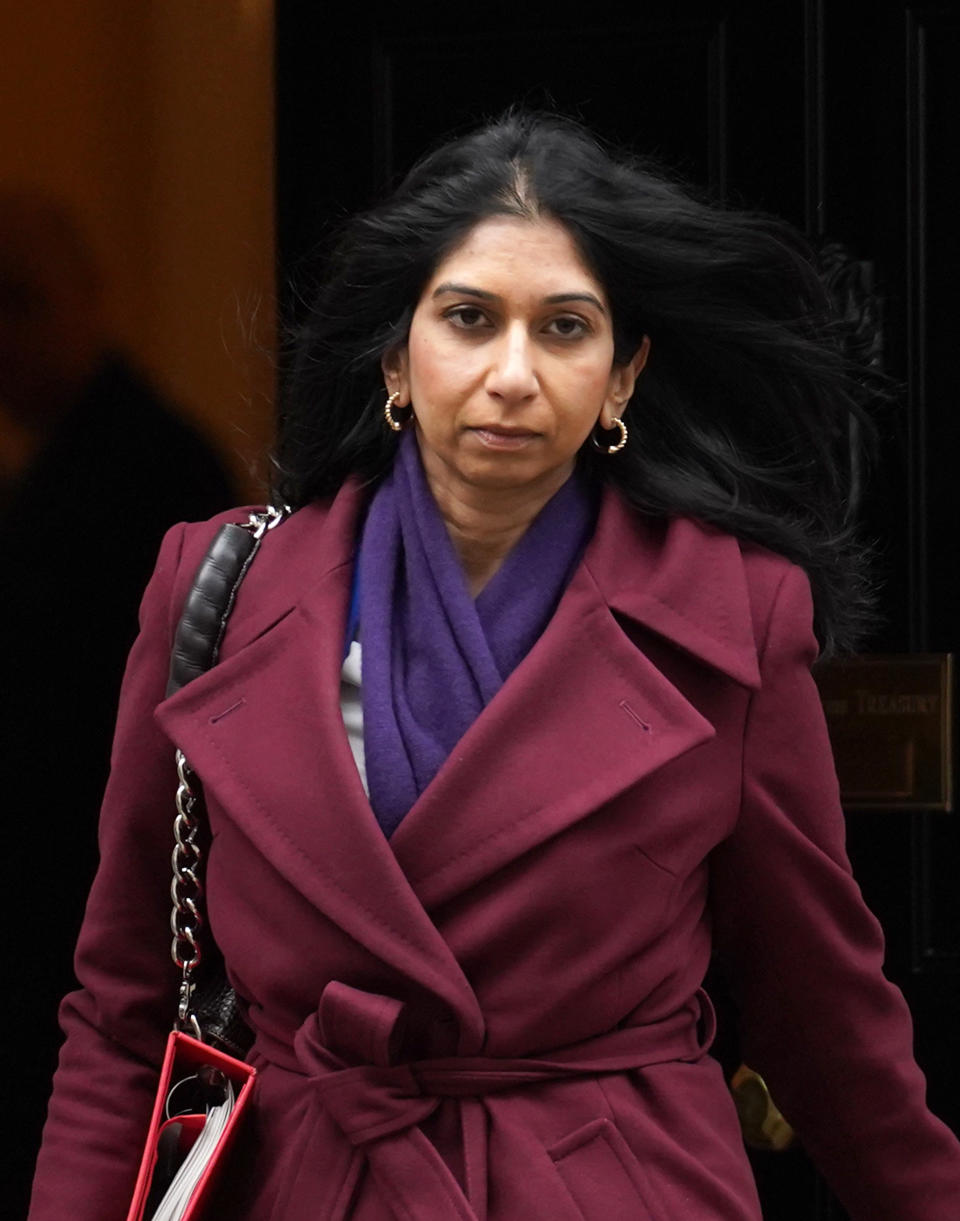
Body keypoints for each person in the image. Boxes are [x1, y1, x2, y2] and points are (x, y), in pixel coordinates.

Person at [27, 112, 960, 1220]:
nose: (513, 373)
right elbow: (123, 1013)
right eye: (469, 319)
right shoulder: (217, 588)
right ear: (397, 357)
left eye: (565, 328)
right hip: (313, 1185)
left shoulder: (736, 620)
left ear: (622, 378)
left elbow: (824, 1017)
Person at [0, 189, 237, 1218]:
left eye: (19, 302)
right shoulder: (59, 468)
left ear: (89, 300)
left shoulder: (152, 471)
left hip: (124, 898)